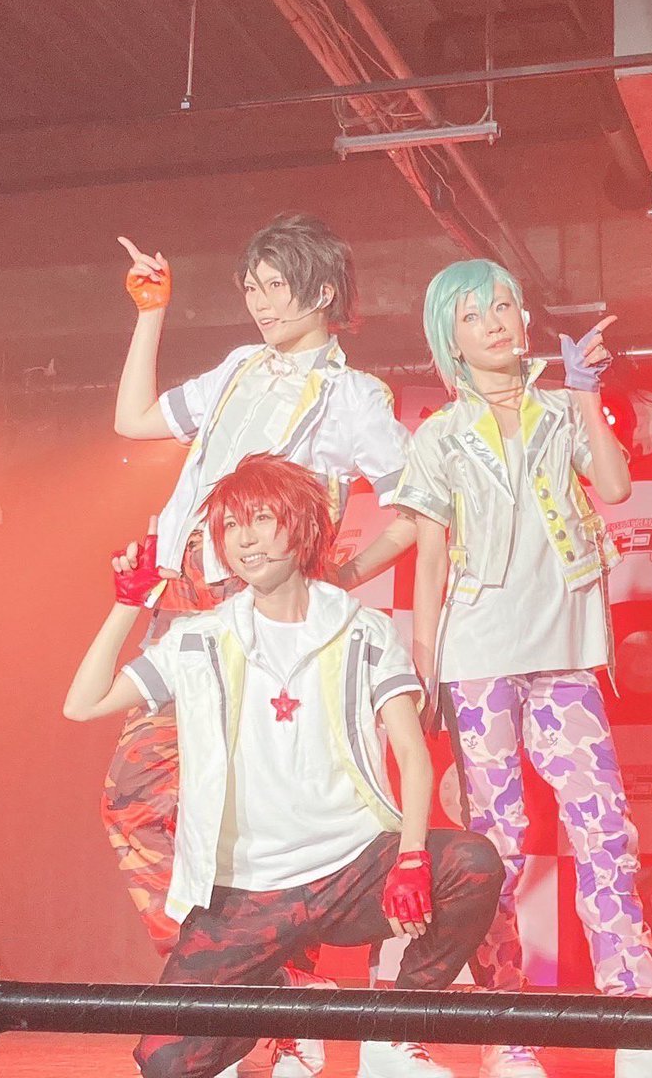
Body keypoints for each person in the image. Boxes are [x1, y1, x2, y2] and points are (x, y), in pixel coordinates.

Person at [391, 260, 652, 1078]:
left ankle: (644, 1032)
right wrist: (423, 669)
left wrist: (588, 393)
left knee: (605, 836)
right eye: (473, 315)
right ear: (448, 338)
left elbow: (617, 485)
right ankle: (507, 1035)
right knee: (498, 852)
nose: (495, 322)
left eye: (504, 306)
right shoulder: (439, 435)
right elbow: (429, 561)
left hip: (563, 659)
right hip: (477, 661)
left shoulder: (560, 408)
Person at [64, 454, 503, 1078]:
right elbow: (83, 705)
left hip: (352, 868)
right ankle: (273, 997)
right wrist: (128, 604)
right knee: (166, 1061)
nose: (244, 539)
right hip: (248, 893)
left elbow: (411, 752)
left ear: (301, 527)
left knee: (471, 863)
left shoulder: (364, 630)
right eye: (230, 525)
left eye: (262, 519)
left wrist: (410, 856)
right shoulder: (200, 637)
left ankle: (396, 1028)